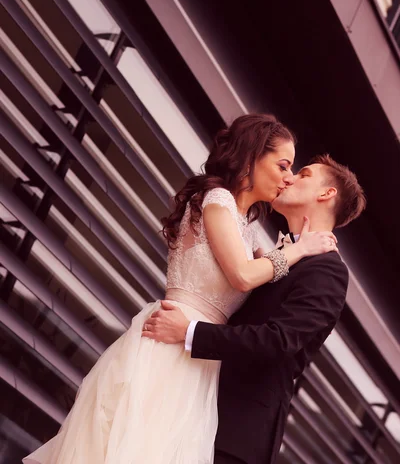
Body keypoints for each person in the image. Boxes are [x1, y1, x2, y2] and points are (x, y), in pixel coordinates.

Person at [23, 114, 336, 464]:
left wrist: (285, 253)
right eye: (283, 165)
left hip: (198, 363)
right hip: (170, 345)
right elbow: (243, 277)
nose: (288, 177)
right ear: (252, 156)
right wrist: (299, 249)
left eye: (294, 170)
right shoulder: (217, 199)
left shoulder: (245, 228)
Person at [142, 153, 367, 464]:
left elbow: (279, 341)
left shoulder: (328, 270)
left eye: (302, 174)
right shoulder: (278, 255)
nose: (289, 178)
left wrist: (189, 331)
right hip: (196, 408)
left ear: (326, 194)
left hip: (236, 435)